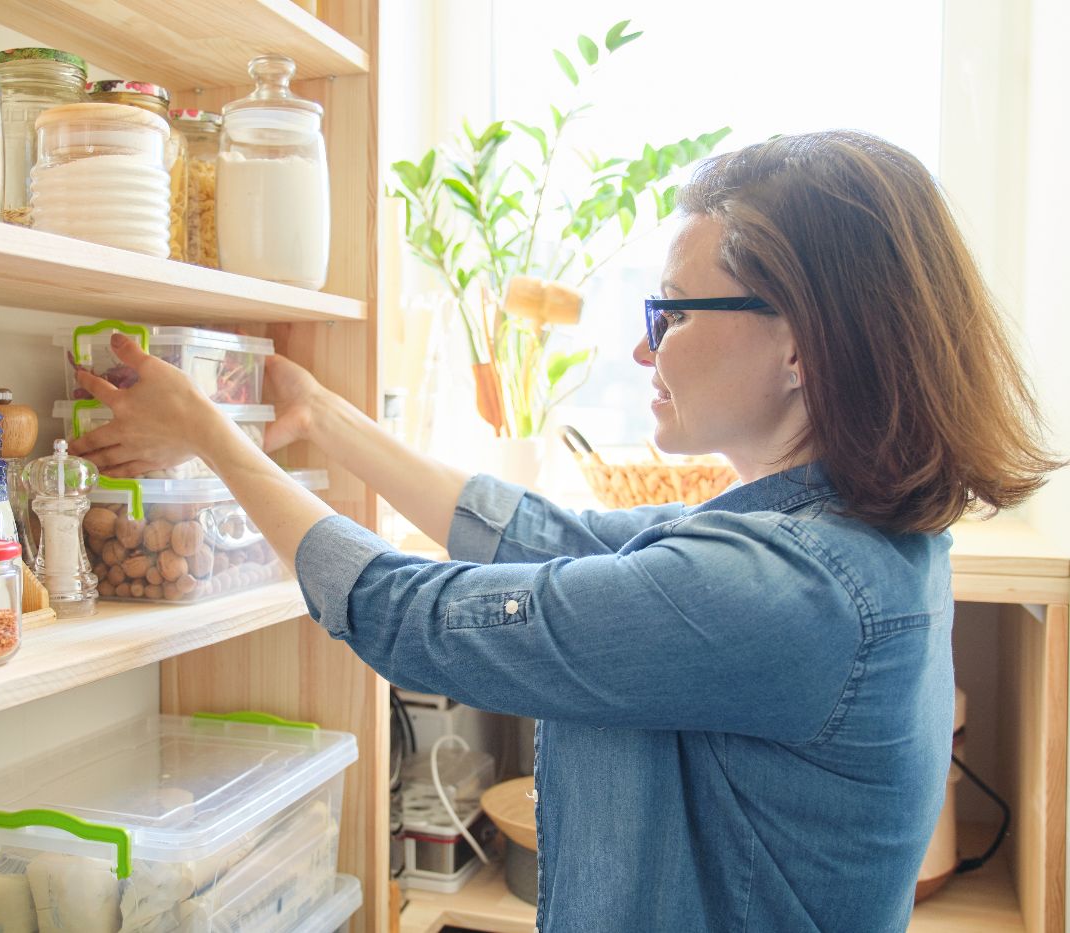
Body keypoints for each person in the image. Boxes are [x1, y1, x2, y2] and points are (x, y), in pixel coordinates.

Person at [68, 130, 1060, 932]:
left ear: (800, 341)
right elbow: (551, 540)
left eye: (668, 313)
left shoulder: (787, 590)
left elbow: (411, 614)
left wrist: (207, 434)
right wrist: (323, 420)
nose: (640, 346)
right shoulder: (824, 537)